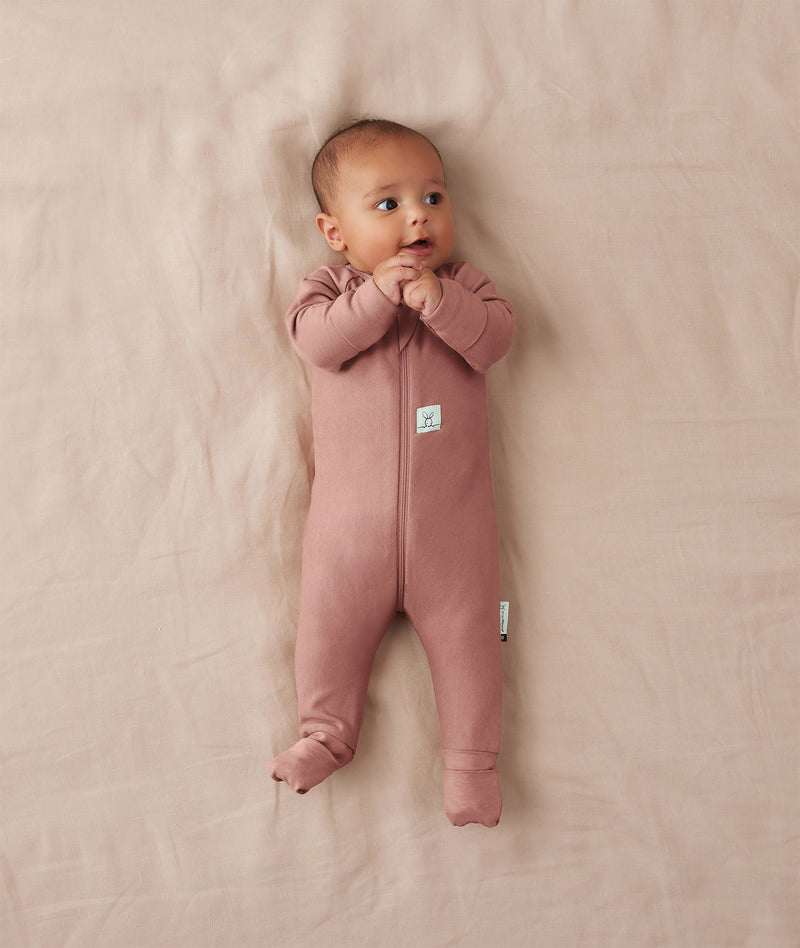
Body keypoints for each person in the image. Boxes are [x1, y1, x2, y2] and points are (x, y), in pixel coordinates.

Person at [269, 119, 515, 826]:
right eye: (388, 204)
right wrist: (376, 297)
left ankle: (472, 767)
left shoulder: (465, 285)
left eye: (433, 197)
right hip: (348, 533)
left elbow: (495, 340)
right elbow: (318, 344)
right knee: (326, 626)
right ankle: (326, 735)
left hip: (454, 534)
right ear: (335, 231)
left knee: (476, 641)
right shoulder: (326, 289)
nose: (419, 216)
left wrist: (440, 302)